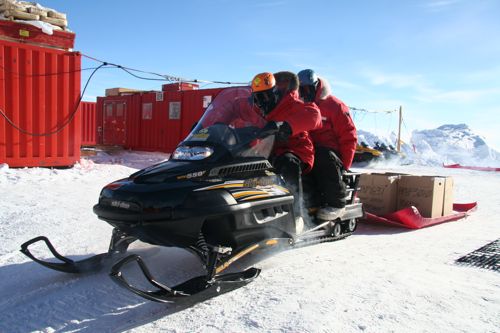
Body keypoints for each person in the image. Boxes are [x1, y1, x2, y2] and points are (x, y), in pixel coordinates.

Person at [251, 71, 322, 226]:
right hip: (268, 151)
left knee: (287, 162)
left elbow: (314, 115)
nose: (260, 101)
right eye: (257, 97)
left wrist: (286, 126)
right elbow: (239, 116)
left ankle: (296, 215)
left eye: (264, 97)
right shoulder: (258, 110)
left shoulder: (292, 103)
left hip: (296, 150)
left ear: (274, 93)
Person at [297, 69, 357, 221]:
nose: (304, 93)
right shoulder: (301, 106)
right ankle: (306, 202)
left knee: (322, 156)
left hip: (330, 153)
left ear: (316, 86)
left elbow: (348, 135)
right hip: (309, 149)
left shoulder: (334, 106)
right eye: (300, 89)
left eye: (307, 89)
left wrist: (345, 165)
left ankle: (337, 203)